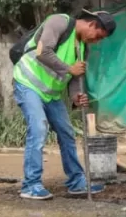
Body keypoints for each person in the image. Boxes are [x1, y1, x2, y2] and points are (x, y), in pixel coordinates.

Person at [12, 10, 116, 200]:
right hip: (28, 83)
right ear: (92, 24)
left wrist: (76, 96)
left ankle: (77, 182)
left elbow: (75, 78)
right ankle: (30, 185)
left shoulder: (83, 48)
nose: (96, 41)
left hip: (51, 94)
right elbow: (42, 52)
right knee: (38, 128)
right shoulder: (59, 22)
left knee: (66, 133)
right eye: (98, 36)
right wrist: (69, 68)